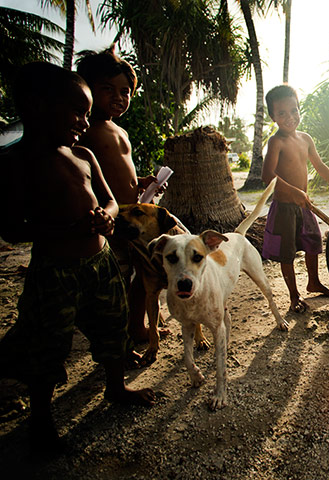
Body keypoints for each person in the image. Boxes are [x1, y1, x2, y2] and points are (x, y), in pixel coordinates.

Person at [0, 62, 155, 454]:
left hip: (99, 262)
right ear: (36, 107)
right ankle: (40, 418)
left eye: (87, 114)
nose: (84, 122)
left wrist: (107, 216)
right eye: (76, 112)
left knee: (113, 325)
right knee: (48, 344)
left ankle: (116, 387)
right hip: (55, 270)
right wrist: (61, 229)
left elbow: (109, 200)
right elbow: (11, 228)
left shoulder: (83, 153)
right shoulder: (17, 162)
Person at [76, 48, 164, 347]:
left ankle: (137, 326)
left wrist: (142, 183)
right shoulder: (86, 131)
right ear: (88, 90)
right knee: (117, 277)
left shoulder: (118, 130)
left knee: (143, 274)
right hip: (110, 219)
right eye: (108, 89)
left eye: (125, 91)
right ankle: (120, 333)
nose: (119, 97)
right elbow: (89, 176)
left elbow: (119, 175)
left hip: (132, 215)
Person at [261, 84, 329, 314]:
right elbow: (267, 176)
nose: (290, 117)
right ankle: (294, 295)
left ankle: (314, 281)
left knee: (312, 242)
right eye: (282, 113)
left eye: (294, 110)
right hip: (285, 207)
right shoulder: (276, 142)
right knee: (287, 252)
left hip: (303, 204)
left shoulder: (305, 138)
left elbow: (319, 164)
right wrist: (293, 192)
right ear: (273, 117)